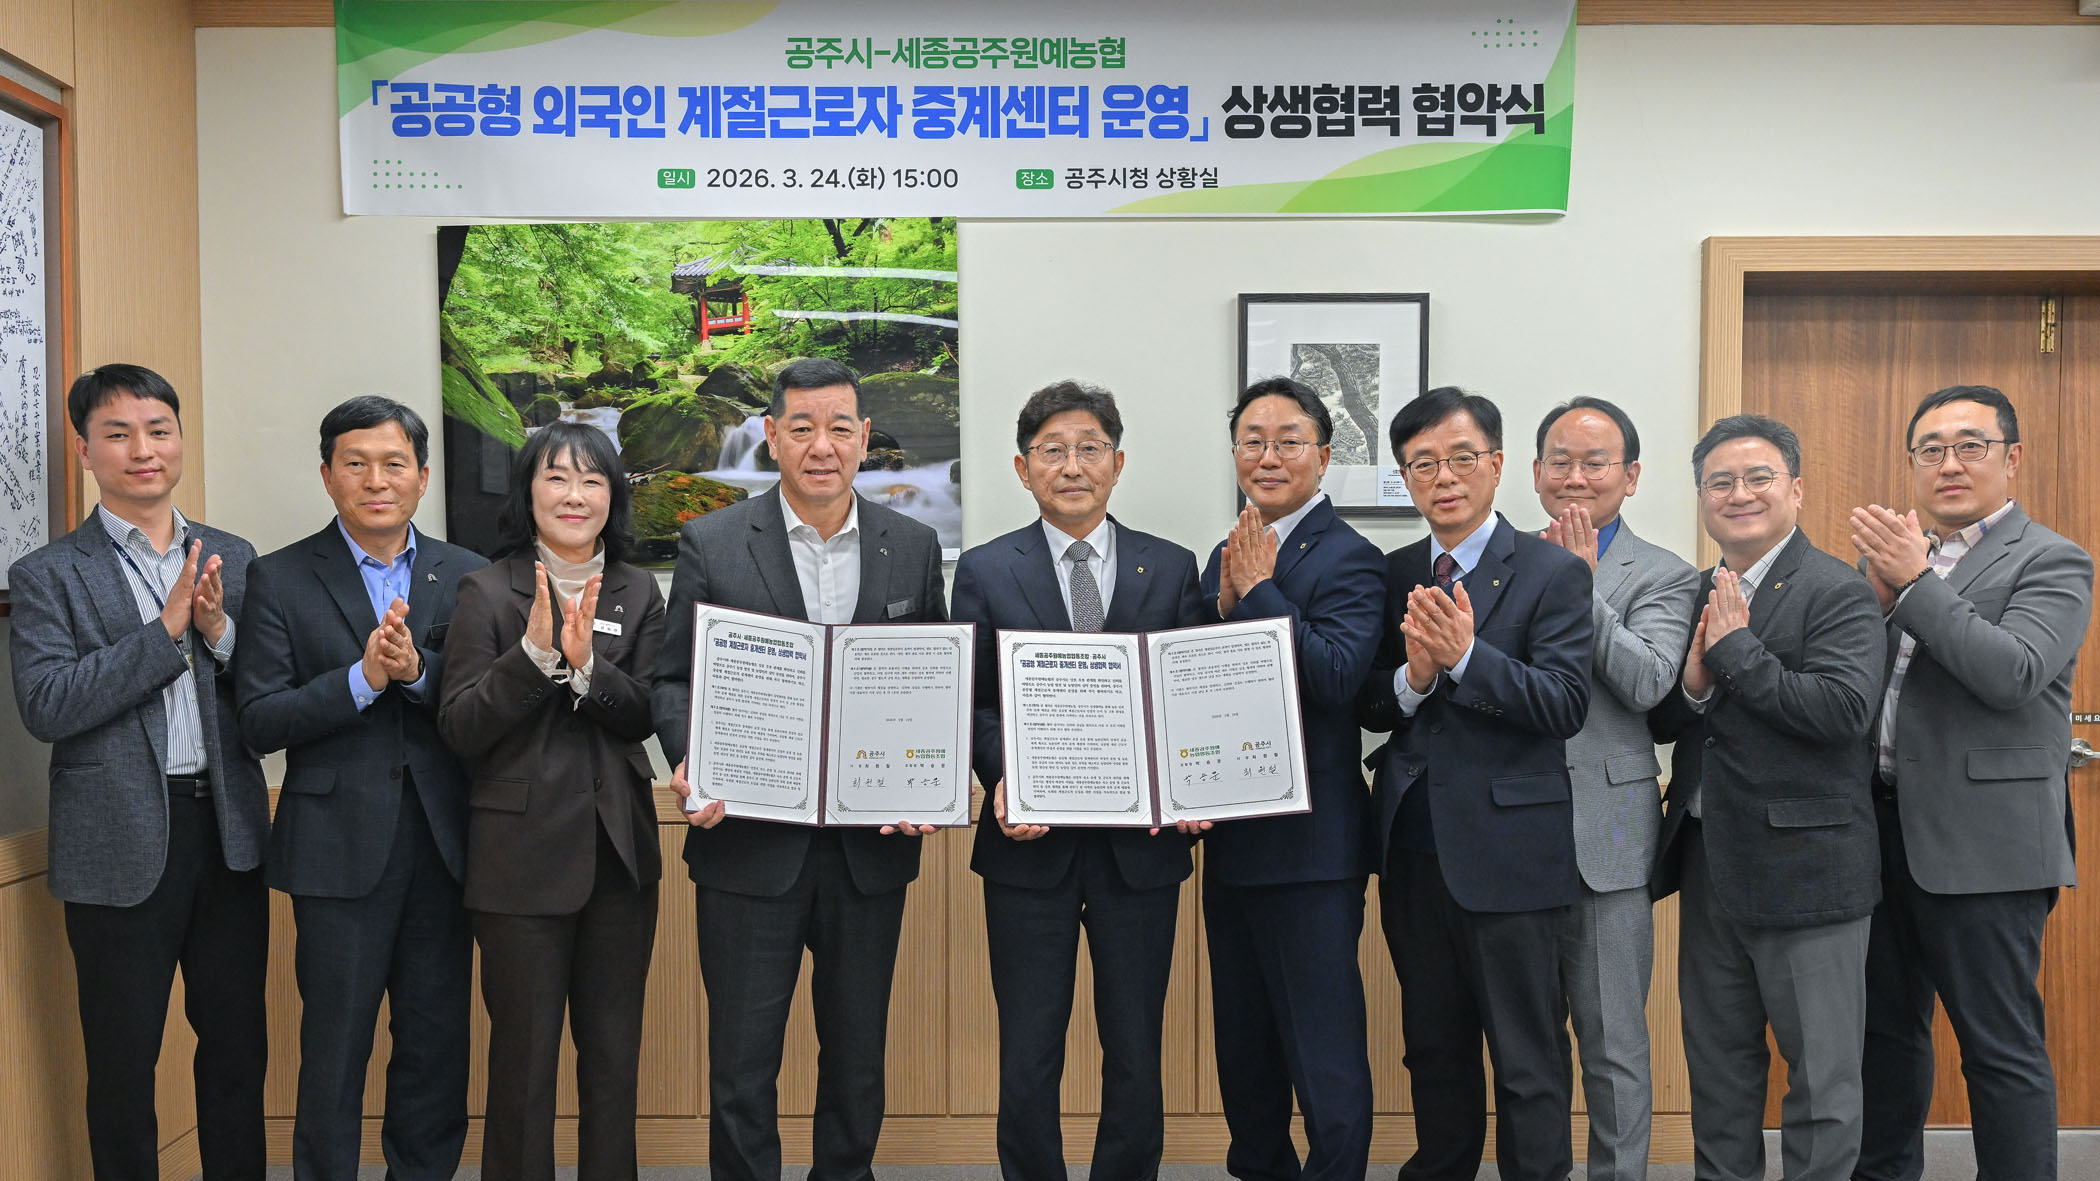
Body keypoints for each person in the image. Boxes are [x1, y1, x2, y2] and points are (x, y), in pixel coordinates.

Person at [649, 357, 947, 1181]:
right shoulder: (712, 541)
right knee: (742, 1066)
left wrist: (930, 779)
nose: (824, 446)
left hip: (869, 849)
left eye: (841, 428)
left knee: (857, 1060)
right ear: (771, 436)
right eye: (804, 428)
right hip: (747, 844)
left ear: (864, 437)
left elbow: (934, 683)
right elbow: (672, 679)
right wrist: (689, 757)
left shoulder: (912, 546)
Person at [8, 365, 269, 1181]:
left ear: (180, 439)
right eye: (118, 434)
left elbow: (267, 693)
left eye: (158, 430)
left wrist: (219, 632)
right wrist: (166, 631)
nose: (143, 449)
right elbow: (48, 704)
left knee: (237, 1052)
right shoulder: (47, 573)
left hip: (227, 833)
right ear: (86, 451)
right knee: (123, 1067)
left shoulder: (234, 556)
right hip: (115, 840)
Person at [950, 381, 1209, 1181]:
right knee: (1029, 1047)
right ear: (1023, 468)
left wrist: (1194, 783)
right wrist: (1005, 774)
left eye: (1090, 448)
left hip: (1142, 851)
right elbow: (971, 700)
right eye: (1053, 450)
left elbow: (1189, 695)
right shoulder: (986, 569)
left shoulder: (1172, 566)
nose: (1072, 466)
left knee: (1135, 1045)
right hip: (1029, 848)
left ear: (1117, 463)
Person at [235, 395, 486, 1181]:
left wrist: (418, 672)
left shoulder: (467, 574)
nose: (376, 480)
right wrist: (362, 679)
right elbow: (259, 719)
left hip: (446, 846)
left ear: (422, 477)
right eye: (356, 463)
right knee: (334, 1047)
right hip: (336, 849)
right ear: (327, 475)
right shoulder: (278, 576)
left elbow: (485, 701)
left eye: (393, 463)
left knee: (435, 1045)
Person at [1849, 385, 2091, 1181]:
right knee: (1884, 1037)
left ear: (2010, 457)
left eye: (1969, 445)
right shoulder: (1894, 558)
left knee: (1998, 1046)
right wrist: (1879, 596)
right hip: (1878, 830)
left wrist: (1916, 583)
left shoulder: (2052, 558)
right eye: (1930, 449)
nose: (1948, 463)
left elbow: (2012, 672)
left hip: (1986, 845)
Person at [1358, 387, 1592, 1181]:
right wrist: (1416, 678)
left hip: (1513, 853)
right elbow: (1369, 702)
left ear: (1496, 464)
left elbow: (1564, 703)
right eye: (1423, 463)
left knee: (1528, 1057)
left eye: (1461, 458)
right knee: (1433, 1047)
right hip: (1414, 847)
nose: (1444, 476)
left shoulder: (1553, 570)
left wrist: (1464, 659)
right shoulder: (1394, 572)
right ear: (1405, 478)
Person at [1647, 413, 1885, 1181]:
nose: (1739, 493)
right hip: (1709, 860)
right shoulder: (1698, 589)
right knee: (1718, 1070)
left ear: (1796, 490)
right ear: (1701, 498)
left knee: (1822, 1079)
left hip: (1809, 868)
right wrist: (1692, 685)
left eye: (1758, 477)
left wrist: (1737, 652)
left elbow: (1845, 711)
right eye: (1720, 481)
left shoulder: (1838, 589)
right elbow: (1667, 716)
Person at [437, 421, 667, 1181]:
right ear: (528, 491)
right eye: (557, 477)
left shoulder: (639, 590)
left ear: (613, 496)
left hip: (619, 857)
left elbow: (646, 714)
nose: (575, 495)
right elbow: (461, 726)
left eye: (592, 480)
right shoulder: (484, 589)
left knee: (614, 1061)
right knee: (523, 1065)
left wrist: (588, 666)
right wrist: (535, 657)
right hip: (518, 863)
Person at [1197, 376, 1383, 1181]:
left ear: (1325, 456)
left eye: (1287, 441)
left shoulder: (1353, 558)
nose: (1267, 456)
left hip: (1312, 850)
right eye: (1252, 440)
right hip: (1231, 841)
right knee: (1244, 1051)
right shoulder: (1226, 552)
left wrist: (1260, 591)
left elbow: (1338, 679)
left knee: (1323, 1051)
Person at [1531, 396, 1698, 1181]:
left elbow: (1649, 681)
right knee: (1528, 1043)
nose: (1576, 476)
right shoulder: (1503, 560)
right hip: (1510, 834)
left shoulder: (1664, 573)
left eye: (1595, 462)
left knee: (1614, 1043)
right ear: (1535, 473)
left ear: (1629, 476)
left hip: (1609, 835)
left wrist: (1582, 586)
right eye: (1560, 460)